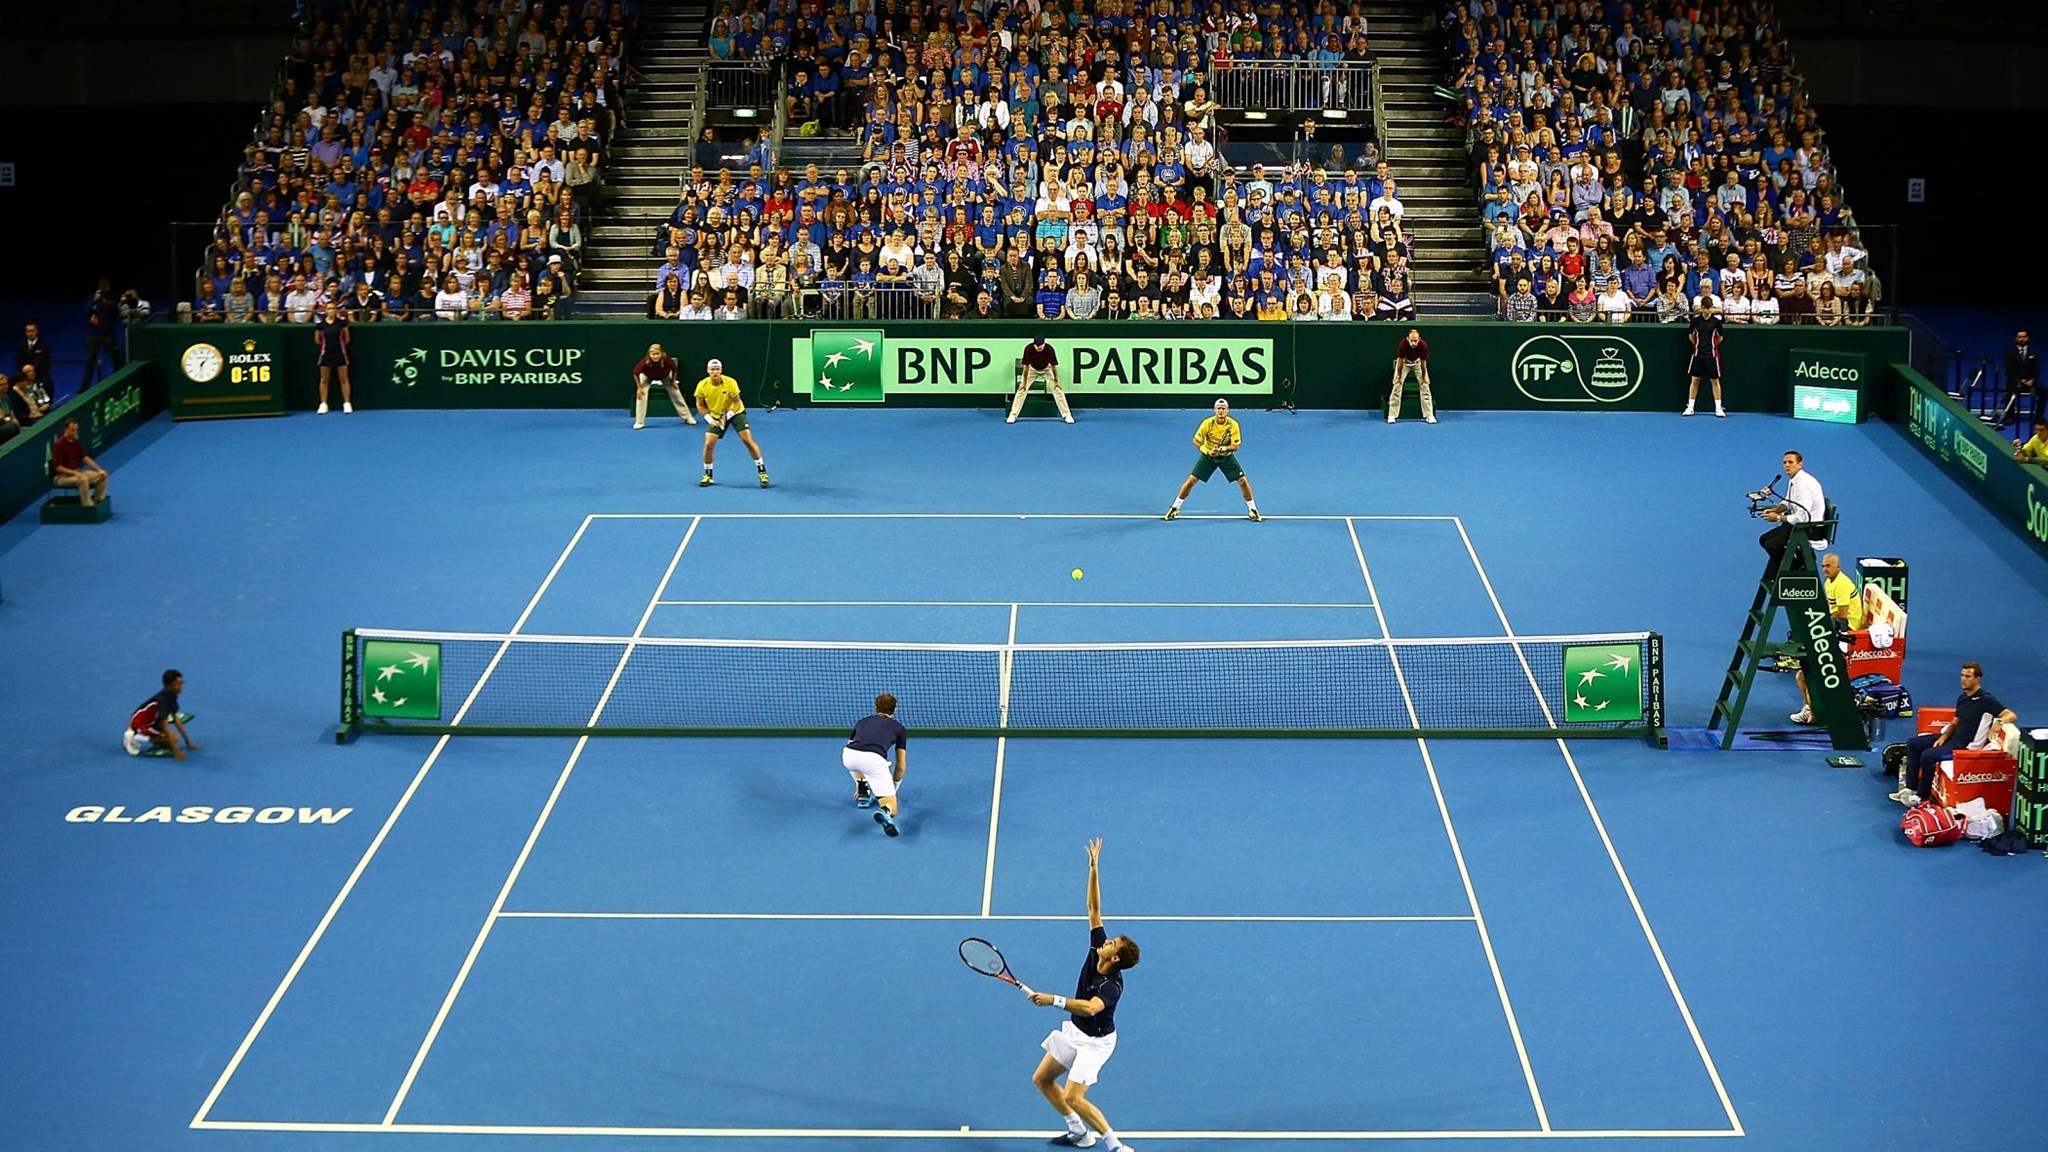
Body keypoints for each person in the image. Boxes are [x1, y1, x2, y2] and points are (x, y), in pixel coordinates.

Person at [1028, 838, 1140, 1151]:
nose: (1106, 941)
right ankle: (1079, 1132)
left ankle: (1116, 1145)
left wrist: (1053, 1000)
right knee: (1042, 1079)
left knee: (1074, 1096)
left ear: (1115, 958)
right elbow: (1094, 908)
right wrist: (1094, 867)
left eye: (1111, 944)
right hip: (1075, 1031)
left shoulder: (1112, 986)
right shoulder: (1096, 950)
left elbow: (1091, 1009)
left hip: (1096, 1042)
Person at [1892, 662, 2016, 806]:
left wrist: (1999, 722)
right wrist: (1943, 737)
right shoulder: (1962, 698)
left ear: (1977, 679)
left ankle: (1921, 795)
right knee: (1913, 743)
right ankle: (1910, 788)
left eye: (1968, 676)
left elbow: (2011, 715)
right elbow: (1955, 722)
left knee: (1928, 755)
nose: (1963, 679)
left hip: (1965, 747)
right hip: (1952, 739)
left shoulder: (1986, 700)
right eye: (1962, 676)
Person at [1791, 553, 1866, 725]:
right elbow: (1829, 604)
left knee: (1804, 675)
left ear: (1838, 566)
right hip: (1837, 625)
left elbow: (1842, 614)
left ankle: (1812, 710)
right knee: (1802, 674)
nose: (1825, 569)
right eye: (1823, 566)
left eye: (1829, 566)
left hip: (1847, 631)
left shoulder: (1841, 584)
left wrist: (1820, 622)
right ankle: (1809, 708)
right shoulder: (1829, 581)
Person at [1164, 399, 1260, 522]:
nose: (1221, 411)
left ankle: (1252, 509)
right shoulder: (1207, 423)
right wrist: (1207, 451)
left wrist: (1222, 449)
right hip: (1208, 457)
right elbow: (1196, 441)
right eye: (1219, 408)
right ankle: (1175, 507)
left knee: (1243, 481)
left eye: (1223, 408)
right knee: (1191, 481)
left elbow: (1235, 446)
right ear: (1214, 410)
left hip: (1226, 457)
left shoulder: (1233, 425)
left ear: (1227, 410)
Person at [694, 357, 769, 487]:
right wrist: (709, 419)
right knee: (708, 444)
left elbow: (736, 402)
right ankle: (708, 474)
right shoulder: (702, 385)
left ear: (721, 370)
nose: (715, 372)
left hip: (736, 413)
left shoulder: (731, 383)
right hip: (716, 415)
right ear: (708, 371)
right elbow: (700, 405)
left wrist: (729, 414)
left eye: (717, 369)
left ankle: (762, 471)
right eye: (712, 369)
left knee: (747, 440)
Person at [842, 692, 907, 836]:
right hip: (873, 760)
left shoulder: (862, 721)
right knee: (892, 805)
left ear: (876, 708)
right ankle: (885, 811)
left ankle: (863, 791)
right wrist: (893, 789)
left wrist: (859, 780)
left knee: (857, 760)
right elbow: (901, 765)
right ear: (895, 709)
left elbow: (851, 745)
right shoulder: (899, 728)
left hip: (848, 756)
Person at [1758, 450, 1826, 569]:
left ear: (1800, 464)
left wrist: (1778, 517)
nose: (1787, 465)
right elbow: (1788, 502)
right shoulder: (1795, 480)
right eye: (1784, 462)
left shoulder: (1804, 485)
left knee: (1772, 545)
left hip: (1810, 528)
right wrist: (1775, 510)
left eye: (1790, 462)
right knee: (1763, 540)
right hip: (1798, 525)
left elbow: (1802, 517)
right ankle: (1798, 561)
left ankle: (1795, 568)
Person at [125, 669, 199, 760]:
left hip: (153, 722)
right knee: (173, 739)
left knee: (173, 738)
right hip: (140, 724)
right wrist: (176, 751)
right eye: (178, 684)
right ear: (169, 685)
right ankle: (136, 736)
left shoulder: (172, 696)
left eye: (182, 683)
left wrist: (188, 742)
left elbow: (176, 720)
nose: (181, 687)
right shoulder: (162, 701)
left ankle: (150, 737)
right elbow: (165, 727)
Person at [1009, 334, 1075, 424]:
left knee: (1058, 390)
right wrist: (1023, 383)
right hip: (1032, 370)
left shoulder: (1049, 349)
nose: (1038, 347)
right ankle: (1013, 415)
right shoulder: (1028, 349)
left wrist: (1056, 381)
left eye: (1040, 345)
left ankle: (1067, 415)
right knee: (1021, 390)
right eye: (1036, 345)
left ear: (1044, 344)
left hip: (1046, 369)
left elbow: (1053, 366)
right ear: (1034, 344)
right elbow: (1026, 367)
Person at [631, 342, 696, 430]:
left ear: (662, 354)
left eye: (657, 354)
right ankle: (639, 422)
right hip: (647, 376)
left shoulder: (667, 361)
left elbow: (674, 370)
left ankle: (687, 417)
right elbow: (635, 374)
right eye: (653, 354)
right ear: (649, 354)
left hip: (665, 376)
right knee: (641, 395)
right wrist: (639, 388)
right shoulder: (645, 362)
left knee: (676, 394)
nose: (655, 356)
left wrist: (673, 381)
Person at [1681, 297, 1726, 417]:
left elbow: (1720, 338)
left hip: (1712, 356)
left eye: (1709, 308)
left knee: (1715, 381)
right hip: (1697, 355)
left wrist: (1711, 347)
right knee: (1695, 380)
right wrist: (1698, 346)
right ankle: (1690, 407)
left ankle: (1718, 408)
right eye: (1704, 308)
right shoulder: (1695, 321)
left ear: (1711, 308)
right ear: (1701, 308)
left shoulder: (1716, 322)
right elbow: (1691, 336)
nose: (1706, 310)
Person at [49, 417, 109, 506]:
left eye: (76, 430)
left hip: (76, 473)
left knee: (101, 476)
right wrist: (75, 473)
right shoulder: (59, 445)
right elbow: (58, 467)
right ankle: (88, 506)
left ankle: (99, 501)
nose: (75, 432)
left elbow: (85, 458)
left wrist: (99, 470)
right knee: (83, 480)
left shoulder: (75, 442)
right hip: (61, 477)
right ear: (65, 430)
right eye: (72, 430)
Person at [314, 301, 354, 414]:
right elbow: (317, 340)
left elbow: (347, 339)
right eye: (329, 308)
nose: (331, 310)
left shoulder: (342, 323)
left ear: (336, 310)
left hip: (340, 353)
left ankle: (346, 403)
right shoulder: (320, 325)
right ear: (325, 310)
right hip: (325, 354)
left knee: (344, 379)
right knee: (324, 380)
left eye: (333, 308)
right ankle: (323, 404)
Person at [1388, 328, 1436, 424]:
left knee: (1425, 386)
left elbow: (1423, 363)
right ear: (1407, 339)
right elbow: (1400, 361)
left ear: (1419, 339)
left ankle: (1429, 415)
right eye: (1411, 341)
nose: (1413, 343)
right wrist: (1398, 376)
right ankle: (1392, 415)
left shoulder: (1423, 345)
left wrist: (1424, 376)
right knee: (1397, 386)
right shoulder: (1403, 344)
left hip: (1418, 363)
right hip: (1404, 363)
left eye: (1415, 341)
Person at [2006, 330, 2040, 424]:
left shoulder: (2033, 353)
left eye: (2024, 337)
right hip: (2015, 382)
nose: (2022, 339)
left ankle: (2038, 416)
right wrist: (2021, 381)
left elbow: (2036, 369)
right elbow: (2009, 370)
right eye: (2020, 337)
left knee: (2044, 392)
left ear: (2027, 338)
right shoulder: (2010, 353)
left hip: (2030, 382)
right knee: (2009, 392)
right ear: (2016, 338)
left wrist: (2032, 380)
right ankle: (2010, 416)